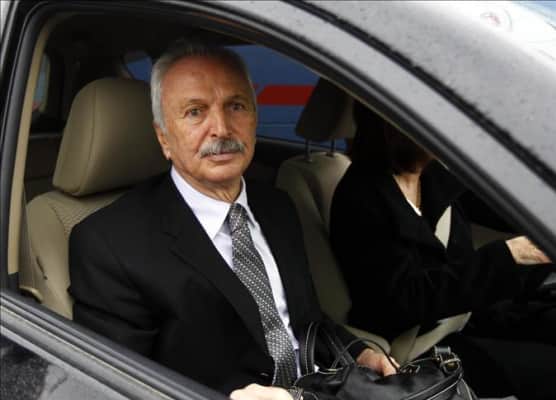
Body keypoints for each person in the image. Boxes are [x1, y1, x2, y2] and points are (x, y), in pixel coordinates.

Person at [68, 41, 395, 400]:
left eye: (236, 106)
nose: (221, 129)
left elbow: (304, 320)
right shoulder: (109, 244)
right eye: (195, 112)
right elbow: (116, 388)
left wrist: (359, 353)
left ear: (254, 117)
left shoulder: (277, 205)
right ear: (164, 138)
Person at [330, 101, 556, 399]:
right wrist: (510, 256)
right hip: (422, 347)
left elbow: (502, 209)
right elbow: (400, 301)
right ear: (394, 124)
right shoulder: (361, 196)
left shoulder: (432, 176)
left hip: (471, 317)